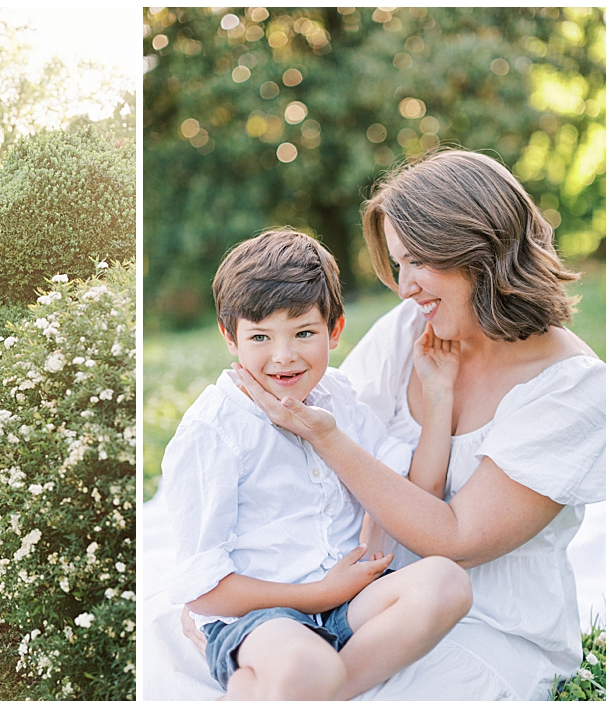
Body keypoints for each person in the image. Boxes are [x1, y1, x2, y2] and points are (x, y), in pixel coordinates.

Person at [233, 150, 605, 700]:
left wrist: (324, 434)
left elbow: (454, 539)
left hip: (485, 623)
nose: (404, 287)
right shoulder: (414, 325)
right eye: (398, 265)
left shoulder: (573, 389)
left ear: (479, 249)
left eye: (417, 263)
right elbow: (326, 435)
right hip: (370, 599)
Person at [160, 229, 472, 700]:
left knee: (448, 583)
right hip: (263, 617)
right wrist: (319, 596)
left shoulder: (337, 397)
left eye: (304, 333)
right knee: (306, 663)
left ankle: (313, 686)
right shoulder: (214, 429)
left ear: (335, 331)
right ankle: (309, 678)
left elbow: (415, 494)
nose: (283, 356)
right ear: (230, 336)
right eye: (260, 336)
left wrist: (439, 392)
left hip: (348, 602)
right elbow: (204, 592)